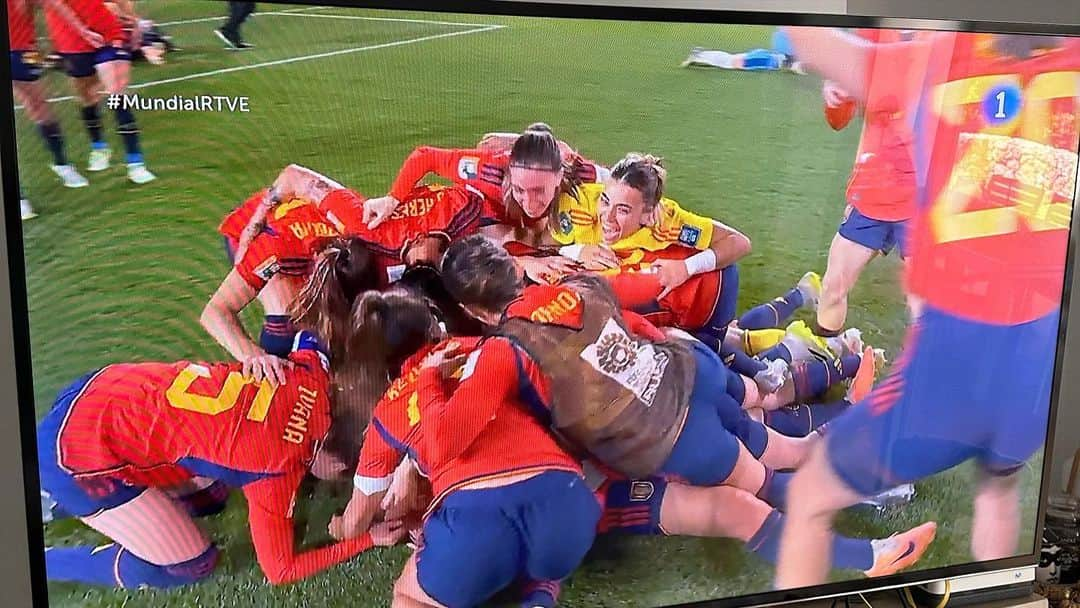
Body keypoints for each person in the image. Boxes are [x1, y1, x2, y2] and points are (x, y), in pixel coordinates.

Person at [774, 29, 1080, 589]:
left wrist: (795, 27)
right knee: (999, 489)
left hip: (953, 362)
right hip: (1039, 368)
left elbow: (834, 57)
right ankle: (994, 591)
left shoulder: (938, 57)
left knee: (812, 493)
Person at [441, 235, 812, 505]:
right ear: (516, 268)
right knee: (790, 450)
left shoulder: (501, 352)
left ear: (472, 311)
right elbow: (655, 283)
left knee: (767, 485)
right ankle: (841, 428)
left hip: (666, 432)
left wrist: (430, 375)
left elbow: (446, 442)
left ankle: (862, 504)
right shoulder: (579, 283)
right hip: (693, 373)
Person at [37, 331, 404, 588]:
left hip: (102, 389)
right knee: (194, 564)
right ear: (338, 462)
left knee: (210, 497)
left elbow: (309, 336)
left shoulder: (312, 373)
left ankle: (54, 502)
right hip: (77, 455)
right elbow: (280, 570)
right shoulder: (276, 469)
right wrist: (368, 539)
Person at [330, 293, 601, 608]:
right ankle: (539, 594)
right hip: (566, 501)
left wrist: (339, 527)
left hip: (475, 527)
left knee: (408, 597)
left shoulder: (386, 415)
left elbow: (355, 523)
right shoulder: (492, 346)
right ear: (436, 327)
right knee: (539, 547)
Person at [44, 0, 155, 184]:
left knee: (118, 94)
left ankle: (136, 163)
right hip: (70, 38)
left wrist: (133, 23)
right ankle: (99, 147)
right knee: (86, 96)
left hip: (109, 32)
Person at [9, 0, 89, 191]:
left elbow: (54, 4)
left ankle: (61, 163)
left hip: (23, 51)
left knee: (41, 108)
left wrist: (82, 30)